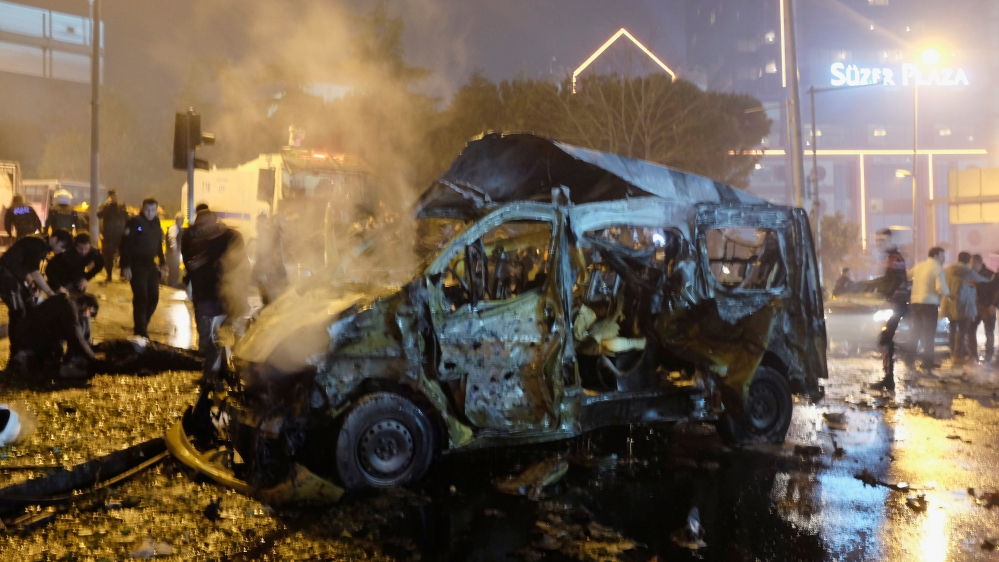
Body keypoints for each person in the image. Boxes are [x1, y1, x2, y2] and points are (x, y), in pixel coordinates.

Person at [182, 210, 249, 366]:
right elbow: (190, 263)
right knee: (206, 337)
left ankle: (224, 367)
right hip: (204, 295)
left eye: (205, 224)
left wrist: (240, 290)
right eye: (199, 225)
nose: (202, 228)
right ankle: (207, 370)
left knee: (225, 336)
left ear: (215, 221)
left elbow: (241, 264)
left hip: (227, 295)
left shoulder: (232, 237)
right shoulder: (194, 239)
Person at [0, 230, 72, 351]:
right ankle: (16, 349)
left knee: (26, 309)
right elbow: (34, 272)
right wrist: (50, 293)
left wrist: (32, 284)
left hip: (12, 277)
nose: (62, 250)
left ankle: (21, 346)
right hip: (6, 277)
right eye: (62, 246)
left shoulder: (39, 243)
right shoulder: (39, 245)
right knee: (17, 312)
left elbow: (27, 267)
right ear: (54, 239)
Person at [8, 292, 98, 379]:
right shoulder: (69, 306)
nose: (88, 315)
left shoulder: (65, 303)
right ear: (85, 304)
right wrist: (94, 361)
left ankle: (26, 357)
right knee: (83, 323)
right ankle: (26, 357)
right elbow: (76, 337)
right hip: (32, 342)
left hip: (31, 340)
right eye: (90, 312)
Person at [119, 198, 167, 338]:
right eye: (147, 209)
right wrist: (126, 266)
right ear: (142, 208)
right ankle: (140, 331)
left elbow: (158, 244)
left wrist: (163, 261)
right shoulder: (135, 222)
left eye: (153, 210)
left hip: (150, 264)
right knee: (141, 297)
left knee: (154, 297)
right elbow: (125, 246)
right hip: (136, 264)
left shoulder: (156, 222)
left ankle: (143, 324)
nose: (149, 213)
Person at [870, 229, 908, 390]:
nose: (879, 243)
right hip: (895, 304)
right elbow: (888, 280)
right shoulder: (891, 258)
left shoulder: (895, 258)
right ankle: (888, 377)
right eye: (877, 240)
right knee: (885, 340)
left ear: (890, 240)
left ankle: (889, 378)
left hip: (896, 305)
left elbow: (895, 282)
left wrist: (885, 297)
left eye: (882, 240)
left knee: (885, 340)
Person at [941, 251, 992, 366]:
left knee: (952, 328)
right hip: (962, 304)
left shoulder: (947, 270)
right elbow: (984, 281)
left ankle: (954, 352)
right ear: (968, 261)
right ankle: (957, 354)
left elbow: (941, 283)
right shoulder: (968, 271)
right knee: (963, 329)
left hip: (949, 304)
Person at [904, 247, 949, 375]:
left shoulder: (919, 266)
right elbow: (941, 289)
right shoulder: (937, 269)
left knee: (915, 331)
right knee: (928, 334)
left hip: (915, 303)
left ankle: (909, 359)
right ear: (936, 255)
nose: (944, 258)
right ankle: (928, 361)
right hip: (929, 305)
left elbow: (907, 276)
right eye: (942, 255)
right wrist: (950, 295)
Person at [252, 213, 288, 305]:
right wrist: (263, 272)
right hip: (269, 273)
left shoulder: (279, 234)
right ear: (276, 222)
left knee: (276, 299)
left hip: (276, 272)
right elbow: (262, 253)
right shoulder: (269, 234)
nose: (285, 223)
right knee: (270, 300)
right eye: (283, 221)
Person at [970, 254, 999, 362]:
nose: (971, 266)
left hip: (987, 305)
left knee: (989, 332)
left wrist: (994, 304)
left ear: (978, 262)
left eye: (972, 263)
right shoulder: (971, 274)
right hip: (974, 306)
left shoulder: (991, 275)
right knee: (970, 329)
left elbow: (997, 291)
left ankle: (988, 356)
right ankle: (973, 356)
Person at [97, 189, 129, 283]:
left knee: (124, 254)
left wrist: (127, 228)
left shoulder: (121, 206)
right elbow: (99, 215)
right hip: (109, 235)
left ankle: (123, 274)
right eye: (112, 195)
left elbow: (126, 217)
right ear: (109, 196)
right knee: (108, 255)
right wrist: (107, 206)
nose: (114, 197)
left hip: (121, 234)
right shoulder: (105, 206)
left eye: (116, 195)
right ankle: (109, 275)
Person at [166, 213, 184, 288]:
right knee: (173, 270)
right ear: (178, 220)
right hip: (172, 253)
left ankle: (173, 284)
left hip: (175, 252)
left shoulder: (178, 228)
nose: (182, 222)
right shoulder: (174, 228)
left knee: (175, 270)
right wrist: (174, 250)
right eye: (181, 220)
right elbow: (172, 239)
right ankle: (172, 285)